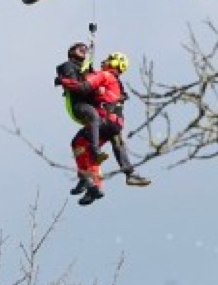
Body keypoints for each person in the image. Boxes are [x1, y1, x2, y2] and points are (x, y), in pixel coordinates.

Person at [61, 51, 151, 206]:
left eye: (109, 59)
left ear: (115, 63)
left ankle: (87, 179)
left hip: (102, 121)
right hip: (115, 125)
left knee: (78, 143)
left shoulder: (105, 76)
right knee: (108, 145)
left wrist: (65, 81)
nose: (104, 61)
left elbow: (84, 87)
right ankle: (128, 174)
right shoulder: (117, 84)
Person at [54, 41, 105, 167]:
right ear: (71, 52)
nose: (84, 49)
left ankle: (84, 153)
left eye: (85, 48)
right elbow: (76, 85)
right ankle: (95, 150)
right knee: (93, 115)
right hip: (77, 104)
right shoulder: (68, 66)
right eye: (80, 48)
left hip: (88, 102)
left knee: (106, 123)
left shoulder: (86, 68)